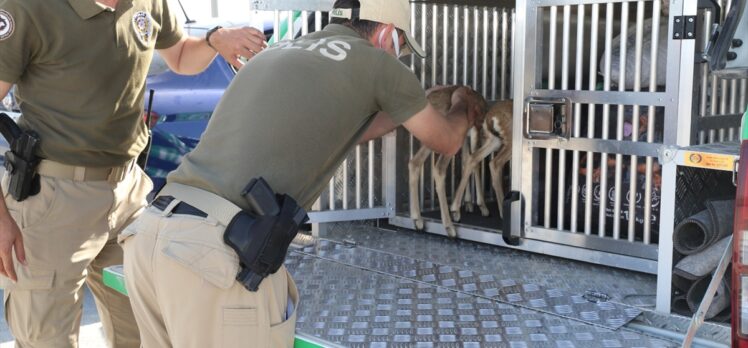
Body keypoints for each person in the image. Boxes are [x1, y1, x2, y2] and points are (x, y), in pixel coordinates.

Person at [121, 0, 485, 347]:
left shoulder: (281, 51)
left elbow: (347, 126)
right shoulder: (378, 63)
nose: (398, 57)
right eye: (401, 48)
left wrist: (412, 105)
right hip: (212, 257)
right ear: (387, 33)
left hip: (152, 235)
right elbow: (448, 141)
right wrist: (460, 102)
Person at [0, 0, 268, 346]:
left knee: (143, 333)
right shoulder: (27, 8)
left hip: (129, 194)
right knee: (46, 338)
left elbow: (182, 57)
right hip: (53, 198)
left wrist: (214, 40)